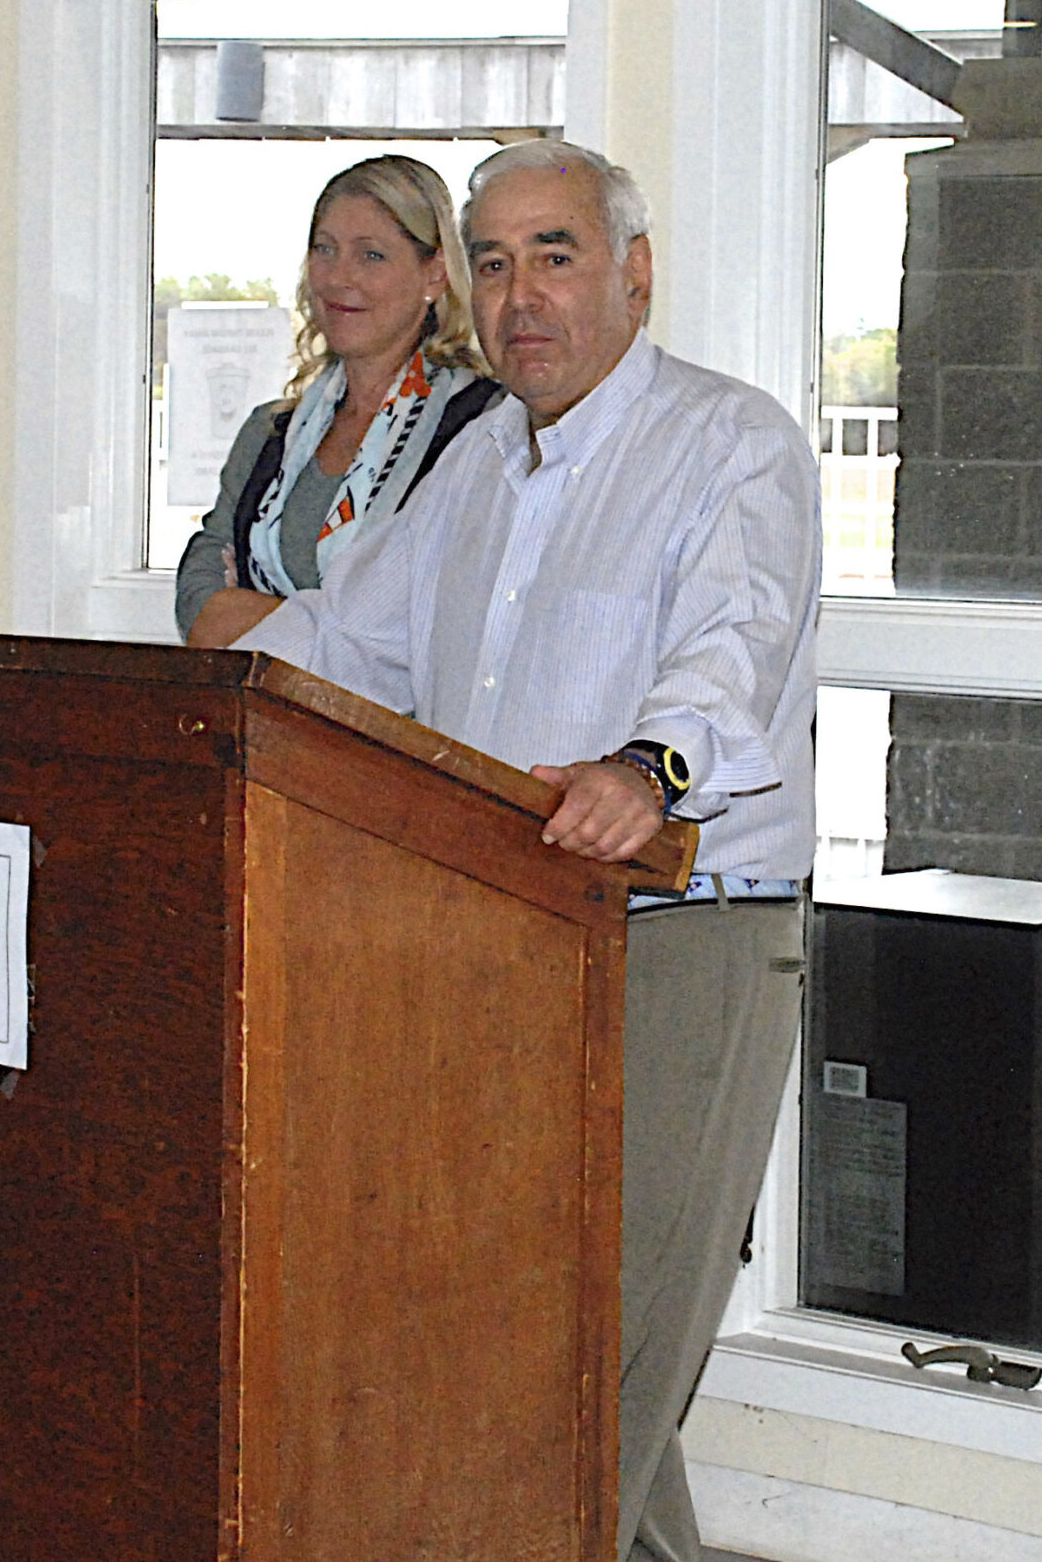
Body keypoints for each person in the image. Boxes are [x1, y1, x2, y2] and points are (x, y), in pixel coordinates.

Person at [235, 139, 818, 1562]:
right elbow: (336, 641)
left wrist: (646, 767)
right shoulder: (479, 461)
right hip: (496, 940)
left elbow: (731, 652)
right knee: (536, 1362)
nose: (521, 295)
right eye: (491, 262)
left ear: (634, 272)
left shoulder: (731, 443)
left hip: (683, 933)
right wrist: (186, 707)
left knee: (592, 1368)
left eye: (554, 254)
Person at [176, 156, 499, 648]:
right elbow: (199, 599)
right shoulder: (270, 434)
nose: (338, 278)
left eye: (371, 255)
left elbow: (429, 626)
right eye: (325, 250)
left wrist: (256, 617)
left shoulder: (484, 428)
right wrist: (332, 628)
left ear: (434, 275)